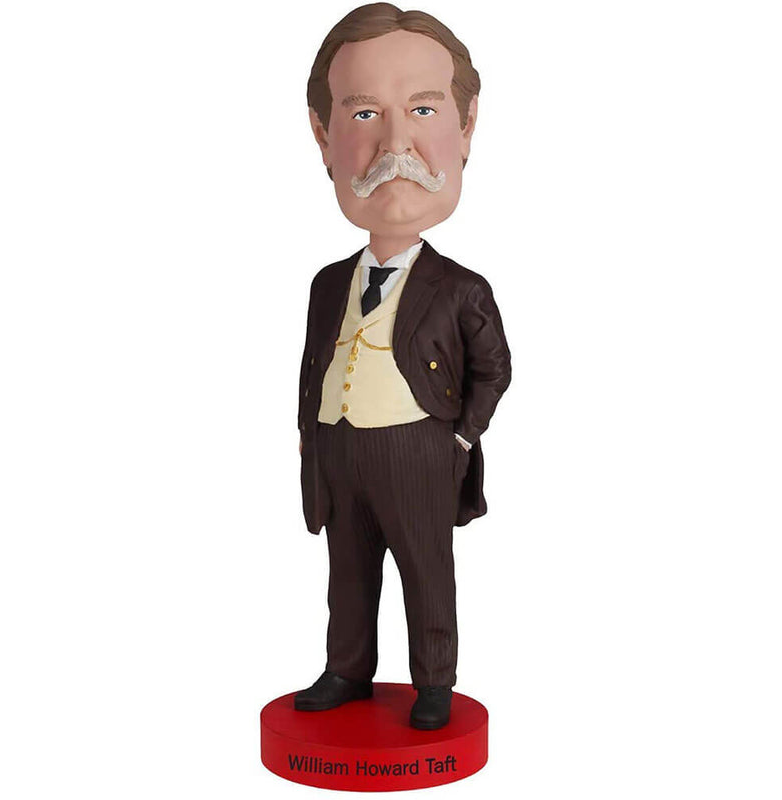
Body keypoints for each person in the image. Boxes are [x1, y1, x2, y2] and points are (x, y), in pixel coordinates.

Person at [295, 3, 511, 730]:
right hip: (340, 448)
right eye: (363, 114)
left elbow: (494, 369)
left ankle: (435, 681)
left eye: (422, 109)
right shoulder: (329, 284)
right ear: (323, 136)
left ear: (467, 125)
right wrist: (311, 441)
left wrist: (458, 437)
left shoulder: (460, 289)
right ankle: (346, 668)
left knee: (426, 570)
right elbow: (312, 366)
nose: (396, 142)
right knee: (347, 574)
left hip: (418, 446)